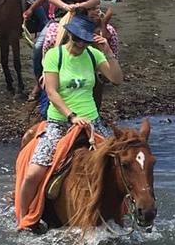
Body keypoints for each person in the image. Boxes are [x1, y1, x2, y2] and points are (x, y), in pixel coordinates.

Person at [15, 20, 124, 231]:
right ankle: (24, 219)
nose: (81, 44)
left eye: (85, 40)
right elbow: (52, 92)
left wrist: (108, 51)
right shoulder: (55, 56)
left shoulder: (94, 55)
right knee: (33, 173)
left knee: (121, 166)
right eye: (78, 39)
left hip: (92, 122)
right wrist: (71, 116)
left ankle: (122, 213)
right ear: (70, 35)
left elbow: (117, 78)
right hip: (60, 122)